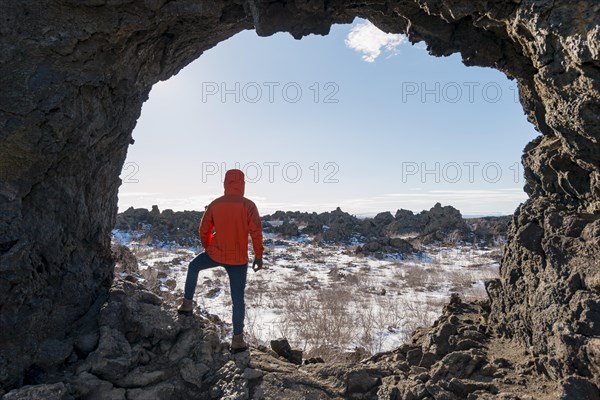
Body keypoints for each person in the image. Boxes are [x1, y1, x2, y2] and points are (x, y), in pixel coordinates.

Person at [177, 169, 264, 354]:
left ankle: (186, 305)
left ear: (225, 183)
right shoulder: (249, 206)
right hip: (239, 260)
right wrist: (258, 256)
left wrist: (208, 247)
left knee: (193, 267)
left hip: (216, 253)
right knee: (237, 299)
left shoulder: (215, 204)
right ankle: (238, 340)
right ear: (242, 184)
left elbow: (204, 229)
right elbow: (256, 232)